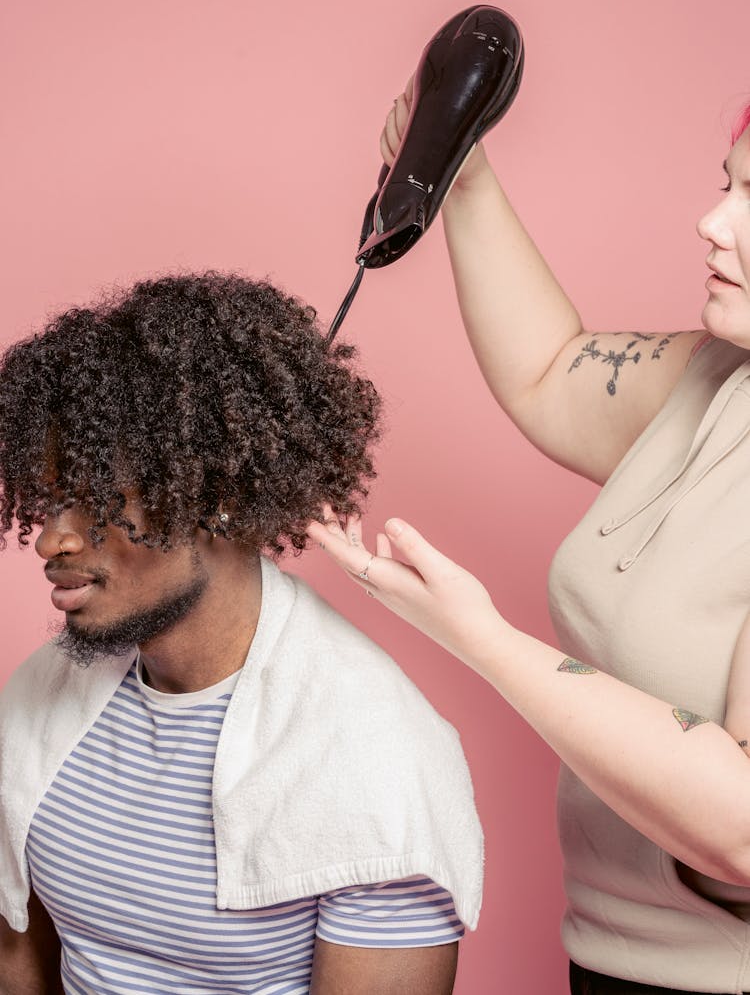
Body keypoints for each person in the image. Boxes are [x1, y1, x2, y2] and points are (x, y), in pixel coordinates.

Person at [308, 90, 750, 995]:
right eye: (727, 185)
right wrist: (460, 175)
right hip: (613, 958)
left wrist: (481, 636)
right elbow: (550, 369)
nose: (712, 221)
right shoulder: (720, 383)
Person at [0, 273, 483, 995]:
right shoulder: (45, 693)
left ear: (215, 497)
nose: (49, 540)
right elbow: (20, 949)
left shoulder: (374, 751)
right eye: (50, 496)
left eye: (96, 497)